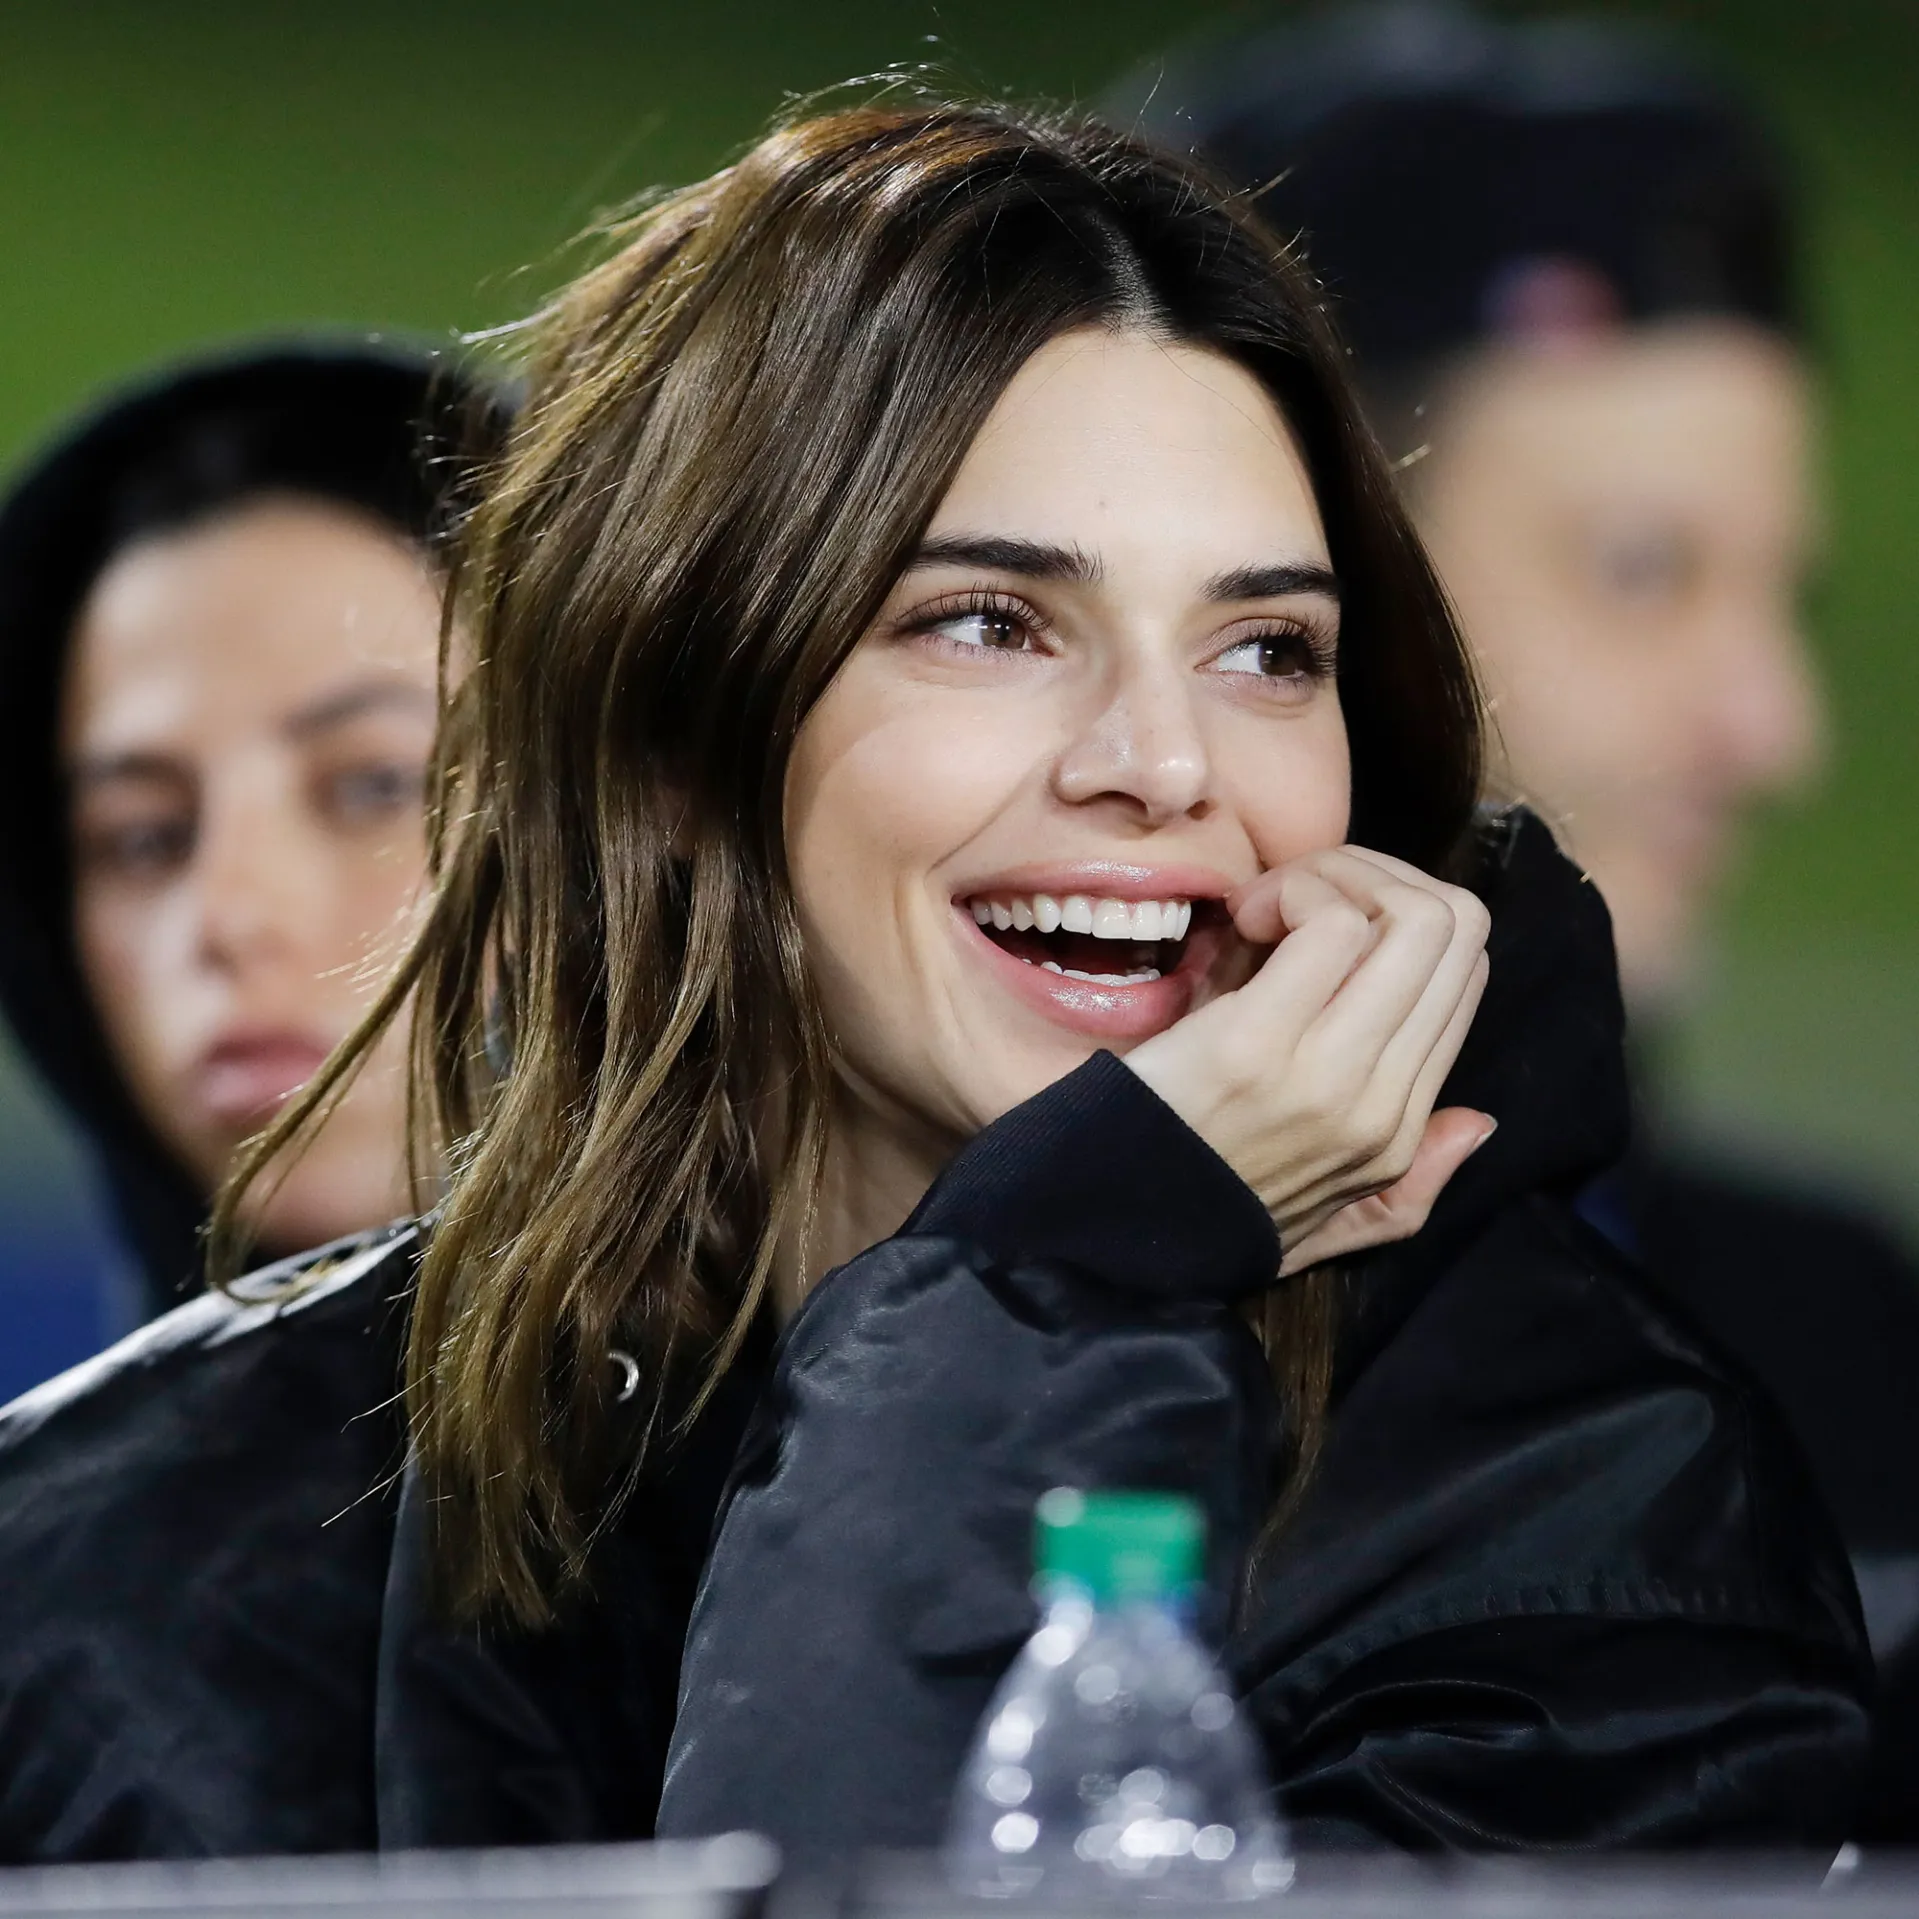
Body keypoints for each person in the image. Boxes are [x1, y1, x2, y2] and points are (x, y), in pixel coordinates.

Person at [0, 99, 1868, 1865]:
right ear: (668, 732)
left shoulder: (1588, 1505)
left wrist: (1047, 1284)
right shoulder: (110, 1557)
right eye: (987, 621)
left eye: (1264, 648)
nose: (1162, 761)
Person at [1122, 1, 1919, 1839]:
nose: (1772, 727)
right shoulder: (908, 1324)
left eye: (1775, 595)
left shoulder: (1831, 1321)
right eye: (1639, 570)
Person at [0, 341, 505, 1366]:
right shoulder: (60, 1468)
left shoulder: (844, 1444)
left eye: (374, 786)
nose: (227, 916)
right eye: (143, 835)